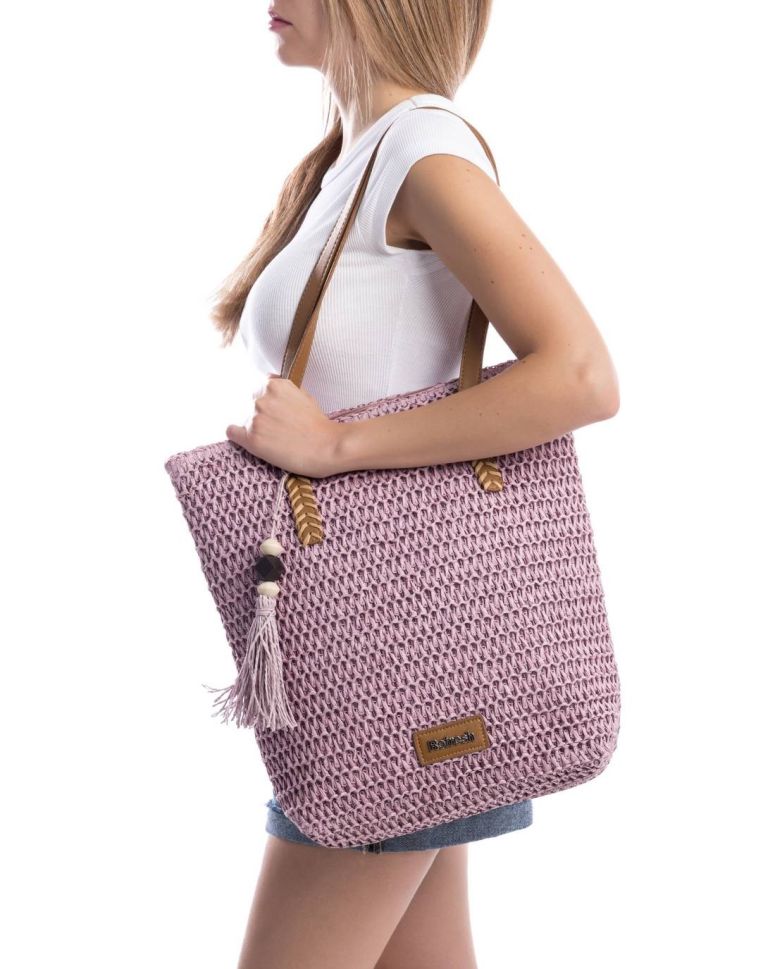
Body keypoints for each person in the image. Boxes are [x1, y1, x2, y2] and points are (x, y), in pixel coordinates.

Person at [209, 2, 619, 967]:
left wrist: (336, 448)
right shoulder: (355, 158)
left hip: (400, 662)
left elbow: (580, 376)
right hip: (397, 652)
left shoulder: (422, 152)